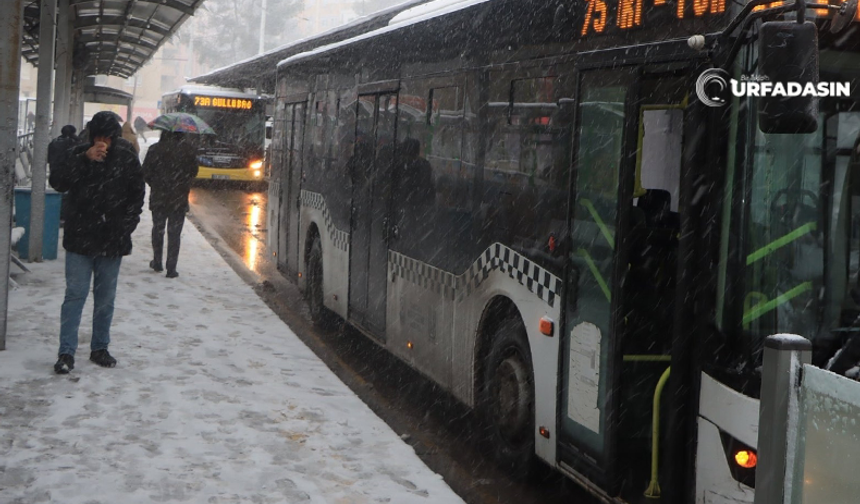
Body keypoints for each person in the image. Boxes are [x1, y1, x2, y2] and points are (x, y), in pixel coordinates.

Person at [48, 111, 146, 374]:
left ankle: (100, 347)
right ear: (91, 136)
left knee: (105, 299)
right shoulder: (78, 153)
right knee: (75, 296)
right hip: (80, 237)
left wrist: (125, 227)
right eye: (98, 137)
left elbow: (137, 195)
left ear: (114, 136)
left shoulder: (126, 157)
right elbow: (57, 182)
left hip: (111, 239)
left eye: (108, 137)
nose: (103, 142)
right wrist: (83, 159)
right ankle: (66, 353)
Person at [142, 131, 199, 279]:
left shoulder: (155, 149)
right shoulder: (188, 150)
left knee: (158, 229)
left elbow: (145, 172)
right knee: (174, 234)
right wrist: (182, 183)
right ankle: (171, 268)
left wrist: (156, 184)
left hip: (159, 197)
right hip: (178, 198)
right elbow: (194, 172)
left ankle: (157, 261)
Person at [48, 125, 83, 224]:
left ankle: (59, 213)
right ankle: (63, 214)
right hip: (67, 171)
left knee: (61, 189)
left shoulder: (54, 142)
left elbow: (48, 157)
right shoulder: (75, 142)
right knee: (67, 192)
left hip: (55, 169)